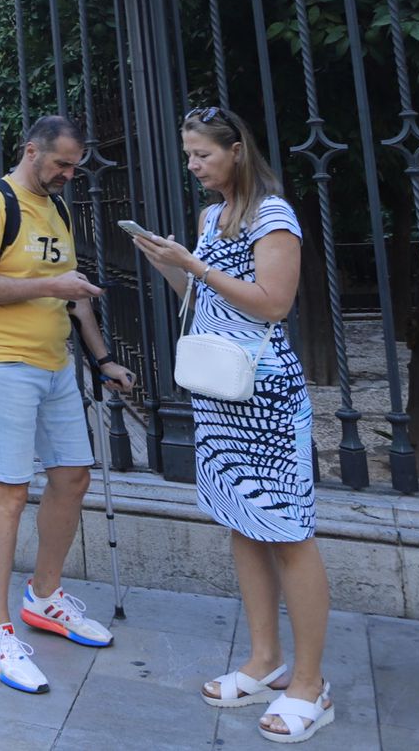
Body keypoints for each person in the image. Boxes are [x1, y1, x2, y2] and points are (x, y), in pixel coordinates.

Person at [130, 106, 332, 743]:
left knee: (288, 533)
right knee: (242, 524)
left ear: (236, 150)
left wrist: (194, 265)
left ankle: (311, 684)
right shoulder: (212, 218)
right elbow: (206, 301)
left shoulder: (273, 214)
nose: (192, 166)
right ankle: (264, 659)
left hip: (266, 396)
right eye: (188, 155)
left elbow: (274, 303)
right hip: (220, 390)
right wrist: (171, 264)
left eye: (201, 155)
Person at [0, 115, 134, 697]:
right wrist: (52, 287)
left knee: (73, 478)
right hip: (3, 361)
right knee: (8, 490)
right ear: (32, 152)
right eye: (60, 164)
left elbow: (72, 294)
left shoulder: (56, 208)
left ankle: (44, 597)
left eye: (73, 167)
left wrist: (102, 358)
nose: (67, 175)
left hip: (56, 363)